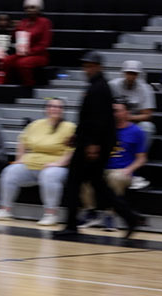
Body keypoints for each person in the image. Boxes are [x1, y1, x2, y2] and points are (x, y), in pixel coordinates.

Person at [55, 51, 140, 238]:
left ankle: (71, 226)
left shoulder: (99, 88)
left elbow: (99, 120)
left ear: (99, 66)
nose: (87, 69)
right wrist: (76, 136)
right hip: (90, 143)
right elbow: (88, 118)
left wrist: (92, 144)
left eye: (90, 65)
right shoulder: (96, 86)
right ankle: (130, 216)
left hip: (92, 146)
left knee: (73, 183)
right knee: (99, 186)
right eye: (85, 65)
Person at [0, 98, 75, 226]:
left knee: (49, 175)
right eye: (51, 106)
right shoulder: (36, 124)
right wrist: (19, 159)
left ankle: (51, 214)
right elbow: (22, 141)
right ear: (46, 109)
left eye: (59, 107)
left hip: (56, 167)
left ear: (63, 110)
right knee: (10, 172)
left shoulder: (69, 127)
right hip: (31, 163)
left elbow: (72, 149)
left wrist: (60, 163)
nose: (55, 109)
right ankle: (5, 210)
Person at [79, 100, 147, 231]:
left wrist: (129, 169)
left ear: (126, 112)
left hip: (123, 171)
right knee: (84, 174)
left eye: (117, 110)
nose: (113, 113)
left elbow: (141, 158)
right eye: (112, 111)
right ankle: (90, 212)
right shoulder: (105, 129)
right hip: (103, 169)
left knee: (115, 177)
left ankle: (109, 215)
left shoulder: (136, 131)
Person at [0, 0, 52, 86]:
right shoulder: (23, 22)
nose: (29, 10)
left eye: (32, 7)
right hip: (22, 53)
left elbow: (44, 44)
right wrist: (14, 29)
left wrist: (29, 52)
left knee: (22, 63)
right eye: (27, 8)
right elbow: (15, 38)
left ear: (39, 9)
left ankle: (29, 86)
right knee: (6, 60)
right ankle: (7, 85)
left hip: (39, 55)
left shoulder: (45, 22)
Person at [109, 60, 156, 145]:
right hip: (115, 119)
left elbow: (148, 115)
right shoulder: (113, 85)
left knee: (147, 126)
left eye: (134, 73)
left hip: (134, 121)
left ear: (138, 75)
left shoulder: (145, 89)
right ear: (124, 73)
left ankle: (141, 154)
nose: (131, 76)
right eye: (129, 73)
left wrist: (129, 118)